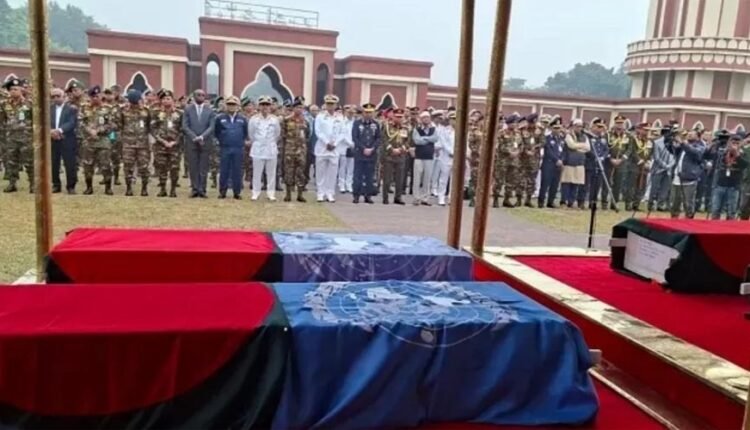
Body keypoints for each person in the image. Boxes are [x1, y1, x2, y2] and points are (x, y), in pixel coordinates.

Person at [182, 89, 215, 198]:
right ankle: (195, 189)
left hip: (205, 142)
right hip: (191, 142)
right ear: (194, 96)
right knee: (193, 166)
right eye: (198, 95)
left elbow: (211, 126)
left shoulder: (210, 110)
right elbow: (185, 126)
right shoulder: (188, 109)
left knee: (203, 167)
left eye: (203, 95)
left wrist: (202, 137)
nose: (201, 97)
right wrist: (194, 137)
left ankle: (202, 189)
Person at [1, 78, 32, 193]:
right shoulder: (4, 104)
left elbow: (35, 119)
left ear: (21, 90)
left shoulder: (29, 103)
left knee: (29, 162)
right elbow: (2, 119)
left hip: (26, 137)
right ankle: (12, 183)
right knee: (11, 161)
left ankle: (33, 184)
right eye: (11, 89)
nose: (13, 91)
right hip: (11, 137)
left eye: (16, 89)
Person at [214, 95, 249, 200]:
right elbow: (216, 132)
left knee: (237, 170)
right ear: (226, 105)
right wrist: (221, 141)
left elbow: (245, 133)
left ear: (237, 106)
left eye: (233, 104)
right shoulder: (220, 118)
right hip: (225, 148)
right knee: (224, 170)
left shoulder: (242, 119)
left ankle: (237, 192)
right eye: (229, 104)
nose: (231, 106)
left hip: (238, 148)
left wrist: (241, 142)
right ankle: (222, 191)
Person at [248, 95, 282, 201]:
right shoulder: (253, 119)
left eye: (267, 104)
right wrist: (259, 142)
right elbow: (251, 134)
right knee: (257, 173)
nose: (265, 107)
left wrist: (270, 142)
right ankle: (255, 192)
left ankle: (270, 193)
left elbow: (277, 134)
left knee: (271, 173)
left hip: (271, 149)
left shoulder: (275, 119)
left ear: (270, 106)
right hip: (258, 149)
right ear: (259, 106)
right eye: (262, 104)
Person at [118, 89, 151, 196]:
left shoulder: (146, 111)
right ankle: (129, 188)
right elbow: (120, 125)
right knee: (128, 166)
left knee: (144, 167)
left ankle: (144, 188)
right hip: (128, 144)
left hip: (143, 144)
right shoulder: (123, 111)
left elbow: (149, 126)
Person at [151, 90, 183, 198]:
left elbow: (182, 129)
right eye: (164, 99)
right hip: (161, 145)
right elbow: (153, 129)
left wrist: (175, 141)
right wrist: (162, 141)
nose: (166, 100)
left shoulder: (180, 113)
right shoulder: (156, 113)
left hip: (175, 146)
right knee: (162, 167)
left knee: (174, 168)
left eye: (168, 98)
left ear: (173, 100)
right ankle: (163, 189)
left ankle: (173, 190)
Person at [710, 134, 748, 220]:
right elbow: (714, 159)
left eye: (737, 143)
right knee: (716, 209)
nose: (734, 145)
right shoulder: (723, 152)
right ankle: (713, 226)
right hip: (720, 184)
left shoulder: (743, 153)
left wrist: (737, 155)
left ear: (740, 144)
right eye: (733, 142)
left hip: (734, 186)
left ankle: (729, 227)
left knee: (731, 211)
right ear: (729, 143)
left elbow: (745, 165)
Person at [668, 129, 704, 219]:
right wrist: (669, 138)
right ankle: (674, 219)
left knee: (688, 203)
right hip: (677, 177)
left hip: (689, 179)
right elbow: (671, 149)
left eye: (692, 134)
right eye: (689, 133)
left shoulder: (700, 146)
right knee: (674, 202)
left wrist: (683, 143)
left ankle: (688, 220)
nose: (689, 135)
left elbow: (695, 153)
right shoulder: (682, 146)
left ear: (698, 137)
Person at [50, 87, 78, 194]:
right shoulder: (49, 109)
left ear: (64, 96)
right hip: (52, 139)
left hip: (67, 139)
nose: (55, 98)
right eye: (53, 96)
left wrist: (59, 130)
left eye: (58, 96)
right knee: (54, 163)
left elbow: (71, 123)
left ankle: (71, 186)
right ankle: (56, 185)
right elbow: (45, 122)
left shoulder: (71, 109)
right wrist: (51, 131)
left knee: (70, 163)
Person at [281, 96, 309, 202]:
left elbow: (308, 135)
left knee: (301, 171)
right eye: (297, 107)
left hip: (301, 150)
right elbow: (283, 134)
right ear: (293, 108)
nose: (299, 109)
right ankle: (288, 194)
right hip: (290, 149)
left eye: (301, 108)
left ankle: (300, 194)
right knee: (288, 171)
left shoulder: (305, 121)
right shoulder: (286, 120)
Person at [314, 95, 342, 203]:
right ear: (325, 105)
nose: (330, 106)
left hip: (334, 149)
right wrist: (326, 142)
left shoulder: (340, 117)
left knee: (332, 173)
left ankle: (330, 193)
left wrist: (335, 143)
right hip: (322, 148)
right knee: (320, 172)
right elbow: (318, 131)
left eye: (332, 104)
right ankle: (320, 193)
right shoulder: (320, 116)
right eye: (328, 104)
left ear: (336, 105)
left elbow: (342, 133)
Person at [351, 102, 380, 204]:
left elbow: (378, 138)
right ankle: (356, 195)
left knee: (369, 176)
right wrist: (363, 148)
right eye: (366, 112)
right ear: (363, 113)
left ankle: (368, 196)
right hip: (360, 153)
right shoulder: (357, 123)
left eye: (370, 112)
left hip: (371, 154)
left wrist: (372, 148)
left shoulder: (376, 124)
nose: (368, 114)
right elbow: (355, 137)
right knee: (357, 176)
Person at [381, 108, 409, 205]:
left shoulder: (405, 128)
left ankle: (398, 197)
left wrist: (401, 149)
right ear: (393, 117)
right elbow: (384, 139)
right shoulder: (387, 127)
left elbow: (408, 141)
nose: (399, 119)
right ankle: (385, 198)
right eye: (397, 117)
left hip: (400, 156)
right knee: (387, 179)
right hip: (389, 155)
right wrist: (391, 149)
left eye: (401, 117)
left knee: (399, 179)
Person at [560, 119, 590, 209]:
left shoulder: (584, 136)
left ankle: (571, 202)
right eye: (577, 126)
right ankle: (564, 201)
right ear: (573, 126)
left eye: (581, 126)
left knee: (576, 183)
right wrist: (582, 146)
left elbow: (588, 148)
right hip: (569, 162)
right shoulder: (568, 135)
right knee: (566, 183)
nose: (579, 128)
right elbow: (571, 145)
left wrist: (577, 146)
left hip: (580, 163)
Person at [624, 123, 654, 211]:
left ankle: (636, 204)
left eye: (648, 130)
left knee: (641, 185)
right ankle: (628, 204)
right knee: (631, 185)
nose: (646, 132)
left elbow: (650, 153)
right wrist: (639, 160)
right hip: (634, 165)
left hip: (645, 166)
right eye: (645, 130)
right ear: (640, 129)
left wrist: (648, 161)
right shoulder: (633, 139)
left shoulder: (650, 141)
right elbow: (632, 151)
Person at [412, 110, 439, 206]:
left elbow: (435, 139)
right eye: (424, 118)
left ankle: (425, 198)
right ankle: (416, 198)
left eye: (427, 117)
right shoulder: (417, 129)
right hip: (419, 156)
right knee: (417, 178)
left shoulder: (433, 129)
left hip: (429, 156)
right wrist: (428, 139)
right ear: (421, 119)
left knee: (427, 178)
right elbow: (417, 141)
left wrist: (424, 138)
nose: (426, 119)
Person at [538, 116, 565, 208]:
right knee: (545, 183)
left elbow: (564, 151)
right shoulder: (547, 138)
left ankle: (551, 201)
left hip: (558, 165)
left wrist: (561, 160)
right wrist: (556, 160)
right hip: (549, 164)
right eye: (555, 128)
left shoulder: (561, 139)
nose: (557, 130)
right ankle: (541, 201)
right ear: (551, 128)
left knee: (555, 184)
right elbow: (548, 151)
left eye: (559, 128)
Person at [582, 118, 610, 209]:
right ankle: (582, 201)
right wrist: (595, 157)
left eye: (602, 127)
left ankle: (592, 202)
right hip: (590, 163)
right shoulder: (588, 137)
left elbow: (606, 150)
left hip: (600, 165)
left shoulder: (603, 139)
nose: (600, 129)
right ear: (593, 126)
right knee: (586, 184)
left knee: (596, 185)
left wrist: (603, 157)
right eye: (598, 127)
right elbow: (587, 149)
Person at [605, 115, 631, 209]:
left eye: (621, 123)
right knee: (606, 182)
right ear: (615, 124)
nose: (619, 125)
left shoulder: (628, 135)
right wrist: (610, 158)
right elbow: (605, 147)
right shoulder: (608, 134)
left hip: (621, 162)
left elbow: (629, 149)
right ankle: (604, 202)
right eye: (618, 123)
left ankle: (614, 203)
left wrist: (622, 159)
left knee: (618, 183)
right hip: (610, 161)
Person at [647, 128, 676, 212]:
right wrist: (664, 165)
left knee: (665, 188)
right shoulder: (657, 142)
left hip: (668, 169)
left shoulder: (673, 143)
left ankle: (661, 204)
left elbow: (675, 156)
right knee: (654, 187)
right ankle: (651, 203)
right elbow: (656, 157)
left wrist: (670, 165)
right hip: (658, 169)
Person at [519, 114, 542, 207]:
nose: (532, 125)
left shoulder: (539, 130)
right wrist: (525, 150)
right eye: (531, 123)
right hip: (523, 159)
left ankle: (528, 199)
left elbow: (543, 142)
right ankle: (519, 199)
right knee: (521, 179)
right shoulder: (522, 130)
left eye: (534, 123)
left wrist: (535, 148)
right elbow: (519, 142)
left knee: (532, 180)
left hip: (534, 159)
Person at [435, 111, 456, 206]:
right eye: (452, 119)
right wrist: (451, 152)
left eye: (456, 119)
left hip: (457, 157)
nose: (454, 121)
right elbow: (444, 143)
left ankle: (451, 197)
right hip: (446, 156)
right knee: (443, 178)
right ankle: (441, 197)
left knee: (454, 179)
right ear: (449, 120)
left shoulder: (461, 131)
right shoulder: (445, 130)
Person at [337, 105, 355, 194]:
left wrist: (354, 144)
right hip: (343, 146)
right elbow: (342, 134)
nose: (350, 114)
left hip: (353, 147)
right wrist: (349, 143)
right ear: (345, 112)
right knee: (342, 167)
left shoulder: (355, 122)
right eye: (349, 112)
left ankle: (349, 184)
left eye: (352, 113)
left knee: (350, 167)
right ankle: (341, 184)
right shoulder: (341, 121)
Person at [467, 110, 483, 207]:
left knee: (483, 179)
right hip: (476, 158)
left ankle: (480, 198)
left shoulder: (486, 132)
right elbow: (470, 144)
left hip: (485, 159)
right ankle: (472, 198)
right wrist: (476, 151)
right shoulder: (474, 132)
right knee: (474, 179)